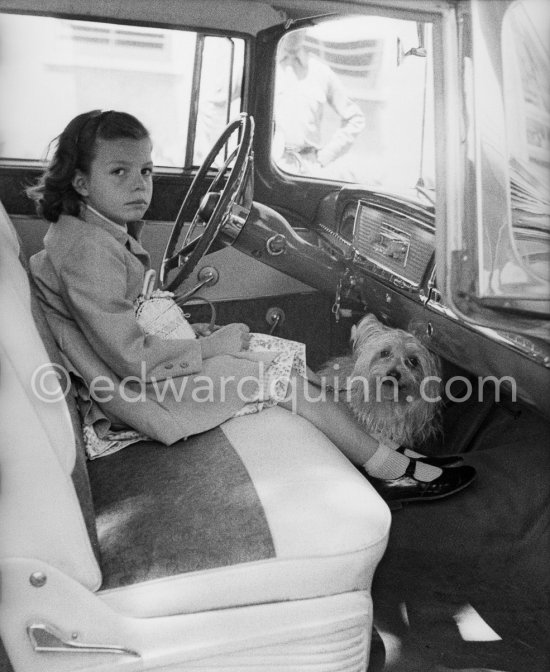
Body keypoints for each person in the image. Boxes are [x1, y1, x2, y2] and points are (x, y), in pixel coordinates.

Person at [27, 109, 475, 504]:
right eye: (119, 172)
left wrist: (201, 339)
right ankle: (390, 471)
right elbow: (129, 355)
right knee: (286, 381)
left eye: (145, 170)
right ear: (81, 182)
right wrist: (214, 344)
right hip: (137, 394)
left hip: (149, 370)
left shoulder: (97, 233)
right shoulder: (87, 251)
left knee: (287, 360)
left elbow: (131, 323)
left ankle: (384, 450)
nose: (140, 185)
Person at [274, 29, 365, 177]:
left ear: (305, 30)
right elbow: (222, 101)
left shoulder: (320, 72)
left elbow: (356, 118)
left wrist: (326, 156)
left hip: (307, 170)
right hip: (269, 167)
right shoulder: (264, 66)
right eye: (288, 27)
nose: (294, 33)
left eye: (299, 28)